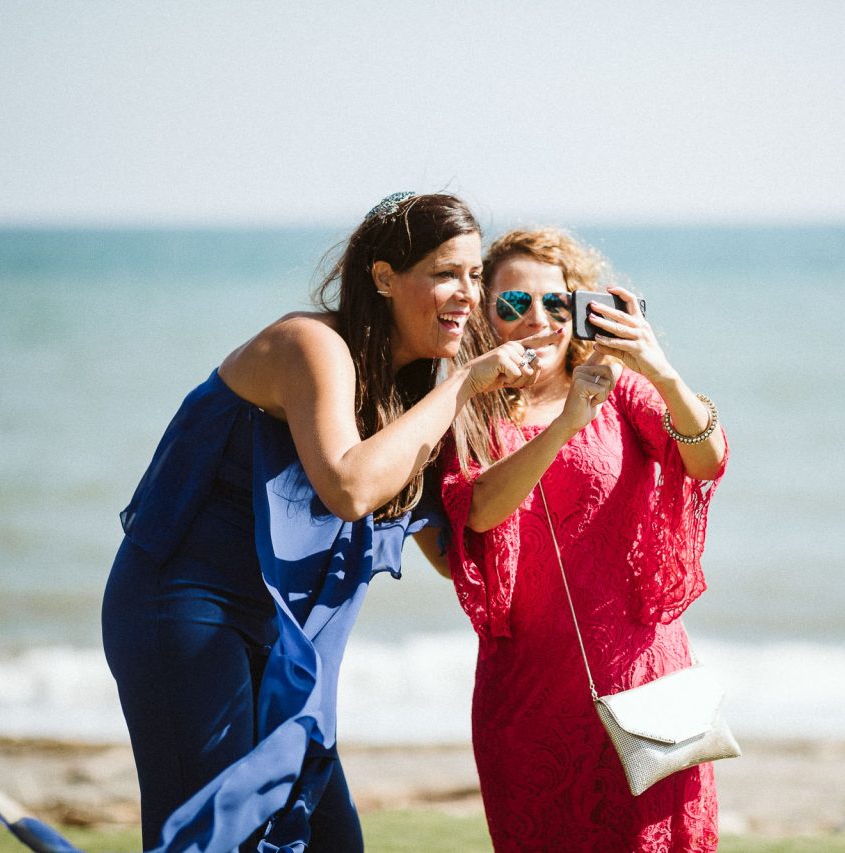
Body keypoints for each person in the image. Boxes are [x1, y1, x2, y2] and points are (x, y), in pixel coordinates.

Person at [99, 193, 560, 852]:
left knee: (331, 839)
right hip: (185, 610)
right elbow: (349, 486)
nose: (469, 293)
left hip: (282, 638)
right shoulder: (309, 344)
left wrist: (566, 423)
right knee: (209, 836)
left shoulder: (408, 393)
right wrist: (460, 387)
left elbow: (452, 549)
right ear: (382, 277)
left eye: (475, 275)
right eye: (446, 273)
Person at [440, 228, 728, 851]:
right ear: (486, 317)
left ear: (580, 311)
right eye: (513, 305)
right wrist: (569, 419)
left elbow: (707, 458)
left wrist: (660, 369)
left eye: (555, 304)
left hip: (644, 679)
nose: (536, 321)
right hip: (530, 699)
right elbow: (480, 512)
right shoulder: (465, 409)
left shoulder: (620, 388)